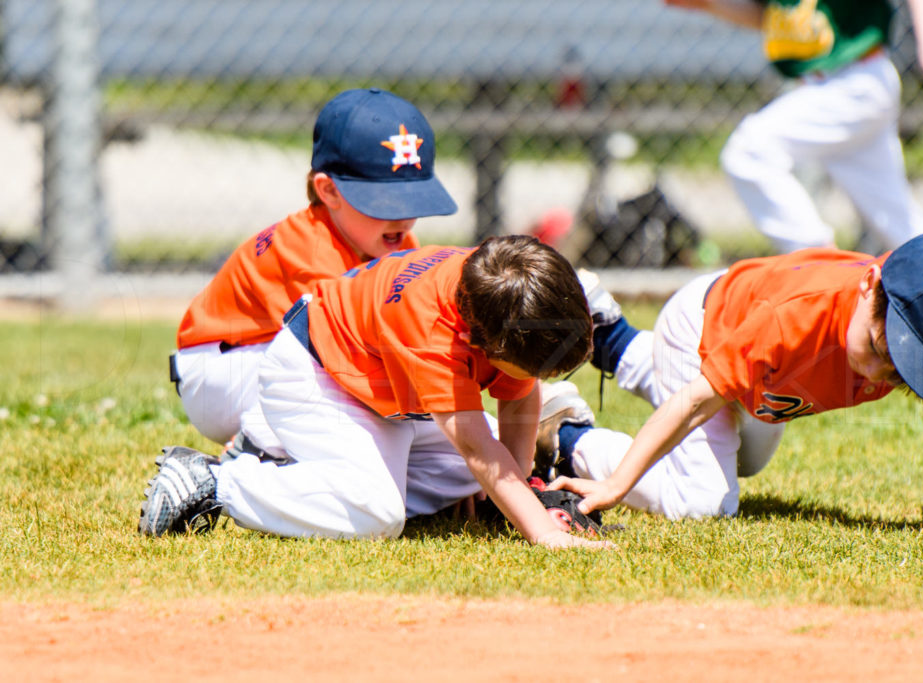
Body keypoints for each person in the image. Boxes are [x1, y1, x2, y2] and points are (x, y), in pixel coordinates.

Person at [140, 235, 614, 550]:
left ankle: (292, 462)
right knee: (377, 514)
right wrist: (542, 533)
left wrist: (520, 496)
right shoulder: (432, 329)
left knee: (486, 481)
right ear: (478, 341)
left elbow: (519, 395)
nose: (535, 378)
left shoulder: (497, 285)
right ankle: (217, 481)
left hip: (384, 394)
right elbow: (476, 447)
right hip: (317, 377)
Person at [538, 232, 923, 520]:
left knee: (748, 460)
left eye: (905, 370)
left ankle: (611, 336)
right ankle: (567, 437)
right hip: (703, 330)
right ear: (869, 287)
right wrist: (614, 485)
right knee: (703, 503)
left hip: (765, 373)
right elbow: (694, 403)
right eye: (885, 349)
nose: (880, 371)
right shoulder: (794, 319)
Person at [171, 87, 452, 445]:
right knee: (355, 395)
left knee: (402, 415)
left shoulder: (393, 241)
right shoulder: (308, 251)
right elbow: (347, 355)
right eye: (385, 202)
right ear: (329, 191)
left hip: (271, 358)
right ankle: (248, 453)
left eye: (412, 200)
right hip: (222, 371)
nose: (403, 218)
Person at [664, 0, 923, 253]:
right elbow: (773, 18)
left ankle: (819, 260)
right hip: (831, 86)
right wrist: (709, 5)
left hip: (855, 79)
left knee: (749, 151)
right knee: (897, 219)